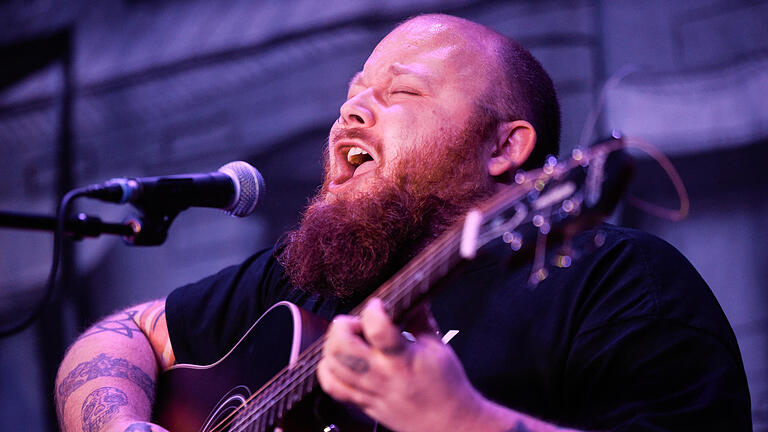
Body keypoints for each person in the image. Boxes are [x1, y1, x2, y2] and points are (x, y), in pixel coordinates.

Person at [55, 14, 752, 432]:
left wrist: (461, 420)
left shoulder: (618, 282)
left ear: (507, 148)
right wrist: (116, 419)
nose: (350, 113)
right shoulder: (301, 282)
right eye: (353, 96)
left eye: (401, 93)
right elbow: (121, 332)